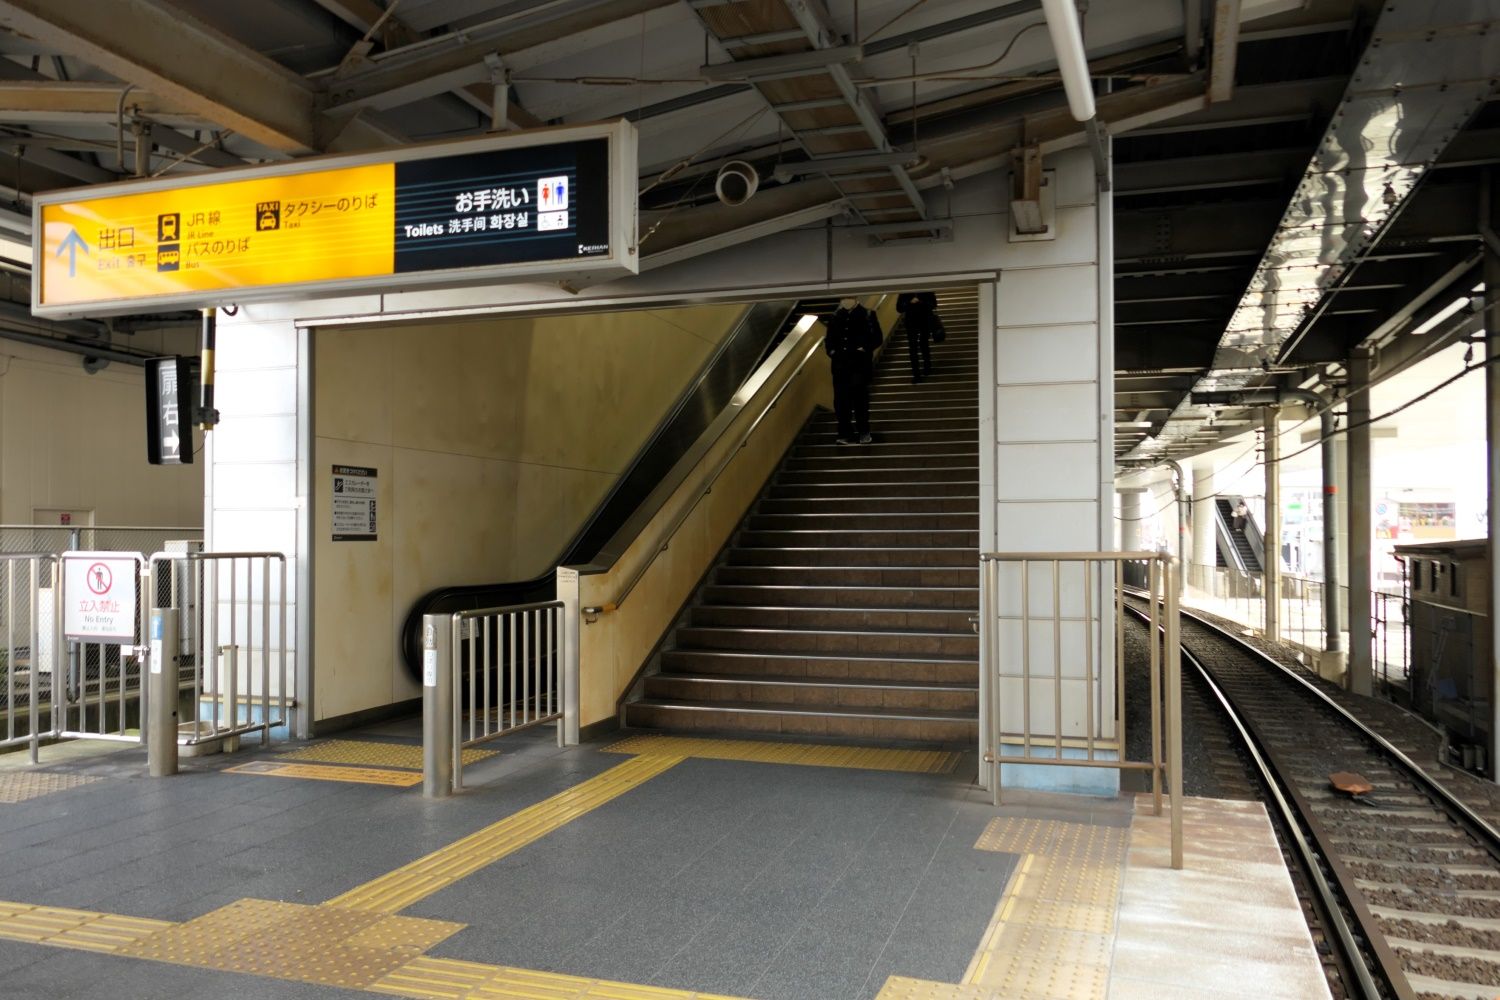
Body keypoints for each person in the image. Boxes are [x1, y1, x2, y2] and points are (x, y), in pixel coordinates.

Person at [824, 297, 883, 444]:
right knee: (841, 402)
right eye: (843, 298)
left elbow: (877, 337)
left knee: (860, 400)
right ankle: (844, 433)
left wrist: (864, 348)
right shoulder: (836, 316)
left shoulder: (867, 314)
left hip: (859, 365)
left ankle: (863, 431)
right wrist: (832, 352)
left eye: (849, 297)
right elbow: (829, 339)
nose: (845, 301)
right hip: (840, 366)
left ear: (856, 299)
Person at [895, 290, 938, 383]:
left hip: (925, 321)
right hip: (911, 323)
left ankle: (927, 367)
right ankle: (916, 374)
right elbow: (899, 308)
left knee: (924, 344)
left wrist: (921, 302)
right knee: (913, 348)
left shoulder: (927, 291)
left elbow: (934, 304)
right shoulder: (904, 293)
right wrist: (909, 303)